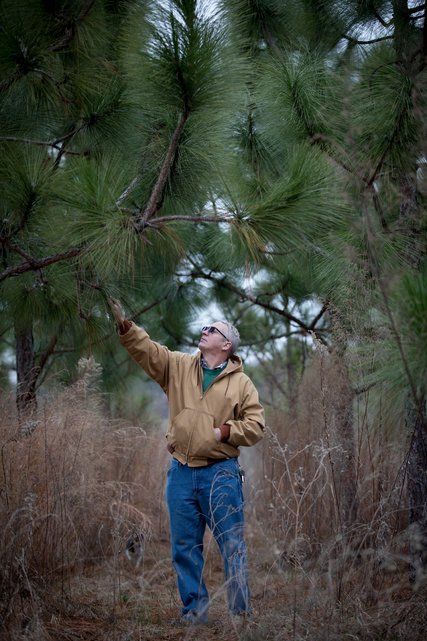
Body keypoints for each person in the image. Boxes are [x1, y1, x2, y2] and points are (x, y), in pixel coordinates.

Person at [108, 298, 265, 625]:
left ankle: (241, 614)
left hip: (221, 474)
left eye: (213, 329)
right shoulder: (178, 366)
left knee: (231, 545)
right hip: (181, 472)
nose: (204, 330)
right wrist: (125, 325)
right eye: (204, 327)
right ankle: (195, 613)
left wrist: (223, 432)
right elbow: (148, 351)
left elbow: (256, 426)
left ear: (226, 345)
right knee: (184, 547)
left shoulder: (241, 383)